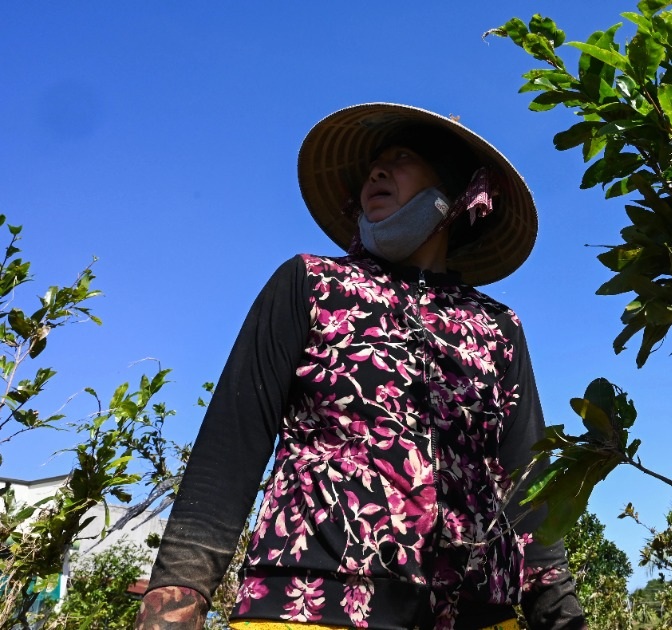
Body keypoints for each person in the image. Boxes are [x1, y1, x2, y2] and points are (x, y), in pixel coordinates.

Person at [134, 103, 587, 630]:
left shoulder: (497, 327)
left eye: (402, 158)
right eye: (373, 164)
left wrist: (558, 613)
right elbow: (232, 444)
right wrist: (177, 594)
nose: (377, 171)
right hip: (310, 605)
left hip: (476, 614)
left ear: (459, 193)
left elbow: (525, 485)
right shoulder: (311, 285)